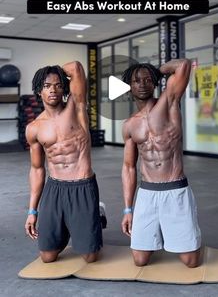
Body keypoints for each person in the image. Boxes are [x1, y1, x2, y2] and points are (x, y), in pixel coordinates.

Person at [121, 59, 201, 267]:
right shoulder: (130, 125)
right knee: (139, 260)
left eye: (148, 80)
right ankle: (161, 233)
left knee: (191, 262)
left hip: (175, 189)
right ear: (129, 86)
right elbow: (129, 167)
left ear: (155, 82)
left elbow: (183, 65)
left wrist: (153, 71)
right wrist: (128, 209)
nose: (142, 83)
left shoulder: (170, 103)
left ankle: (180, 233)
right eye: (136, 80)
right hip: (147, 193)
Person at [25, 61, 103, 263]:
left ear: (64, 88)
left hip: (82, 186)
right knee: (47, 257)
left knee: (90, 257)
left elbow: (76, 67)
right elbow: (36, 170)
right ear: (38, 90)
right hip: (55, 188)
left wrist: (50, 71)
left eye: (58, 85)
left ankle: (94, 214)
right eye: (46, 86)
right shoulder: (34, 128)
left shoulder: (76, 108)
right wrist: (32, 210)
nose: (53, 90)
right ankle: (70, 224)